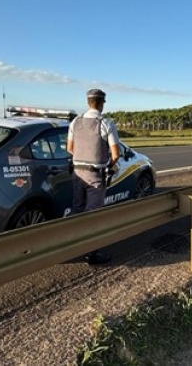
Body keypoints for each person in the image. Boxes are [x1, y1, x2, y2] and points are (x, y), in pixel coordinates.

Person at [67, 88, 121, 265]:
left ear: (88, 102)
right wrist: (109, 165)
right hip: (95, 175)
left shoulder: (75, 122)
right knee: (93, 214)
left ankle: (71, 245)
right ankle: (92, 253)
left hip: (76, 172)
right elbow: (115, 154)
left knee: (77, 209)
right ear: (102, 103)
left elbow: (70, 148)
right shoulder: (106, 123)